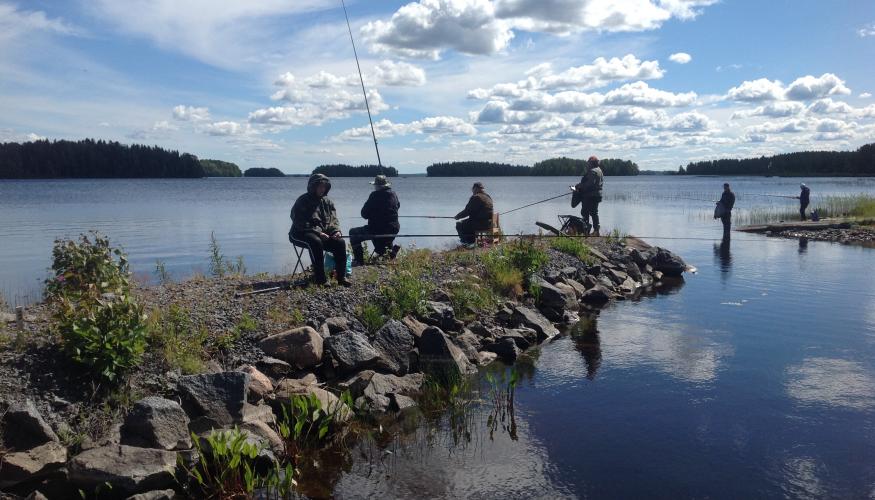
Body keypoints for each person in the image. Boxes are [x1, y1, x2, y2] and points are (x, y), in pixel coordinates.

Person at [289, 173, 351, 287]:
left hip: (323, 235)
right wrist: (318, 232)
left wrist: (335, 231)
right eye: (320, 186)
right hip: (299, 233)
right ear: (313, 186)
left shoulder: (328, 202)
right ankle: (321, 279)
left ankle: (341, 277)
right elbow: (298, 221)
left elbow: (333, 220)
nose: (322, 189)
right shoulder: (302, 200)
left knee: (340, 242)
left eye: (324, 186)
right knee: (315, 242)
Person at [349, 174, 401, 265]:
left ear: (377, 186)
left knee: (353, 233)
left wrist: (373, 214)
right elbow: (398, 206)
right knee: (383, 242)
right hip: (394, 228)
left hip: (378, 230)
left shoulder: (374, 195)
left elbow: (364, 214)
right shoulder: (394, 194)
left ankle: (359, 260)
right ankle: (390, 253)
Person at [571, 156, 604, 236]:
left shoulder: (592, 171)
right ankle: (595, 231)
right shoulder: (599, 170)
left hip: (590, 196)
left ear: (592, 163)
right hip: (597, 195)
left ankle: (586, 230)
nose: (587, 164)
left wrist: (579, 186)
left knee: (585, 212)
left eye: (589, 163)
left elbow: (589, 184)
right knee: (594, 213)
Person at [455, 181, 494, 248]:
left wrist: (457, 216)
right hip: (489, 223)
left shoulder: (476, 197)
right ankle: (472, 241)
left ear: (475, 189)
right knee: (467, 223)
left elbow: (467, 211)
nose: (472, 191)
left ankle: (466, 243)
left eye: (472, 189)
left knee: (459, 225)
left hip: (479, 224)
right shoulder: (488, 197)